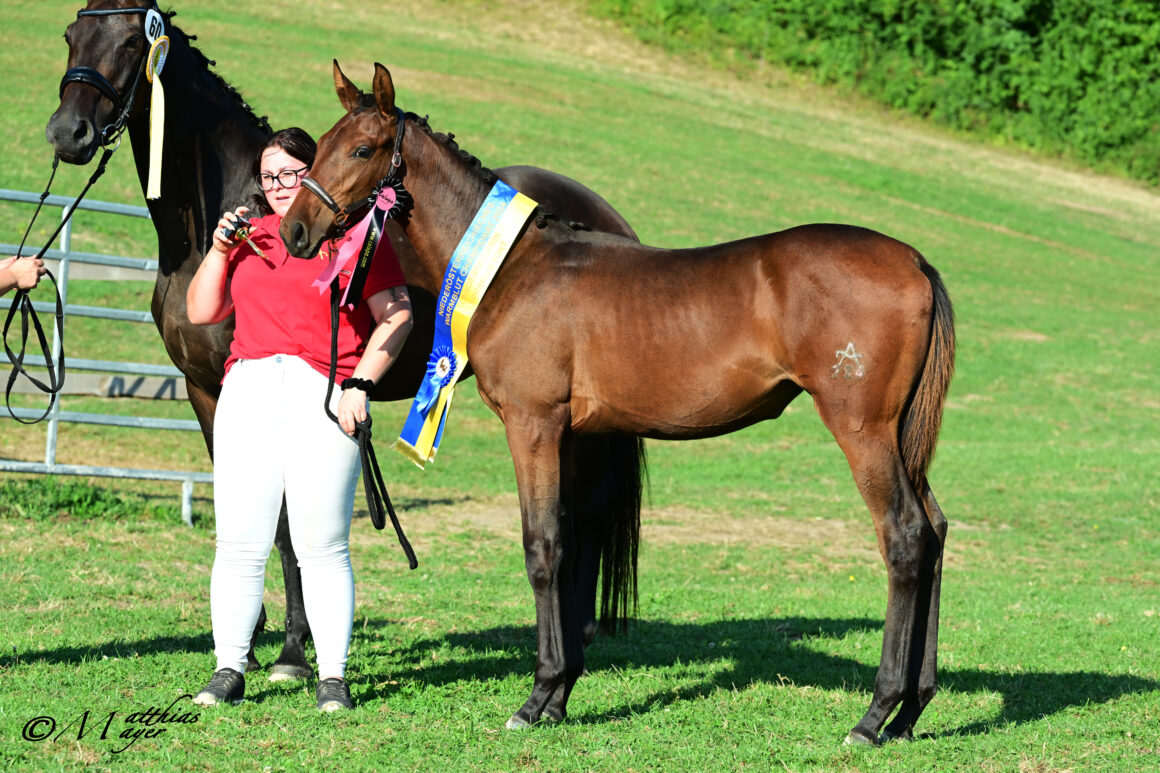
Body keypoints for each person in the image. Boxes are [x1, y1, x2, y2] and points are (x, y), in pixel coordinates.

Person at [186, 128, 413, 711]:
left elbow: (398, 316)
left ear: (314, 172)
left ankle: (331, 676)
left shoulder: (358, 239)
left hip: (325, 393)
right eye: (269, 177)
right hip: (250, 390)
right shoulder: (250, 237)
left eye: (290, 173)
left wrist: (361, 384)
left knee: (322, 543)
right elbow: (200, 310)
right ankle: (229, 666)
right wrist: (217, 248)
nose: (280, 186)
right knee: (240, 541)